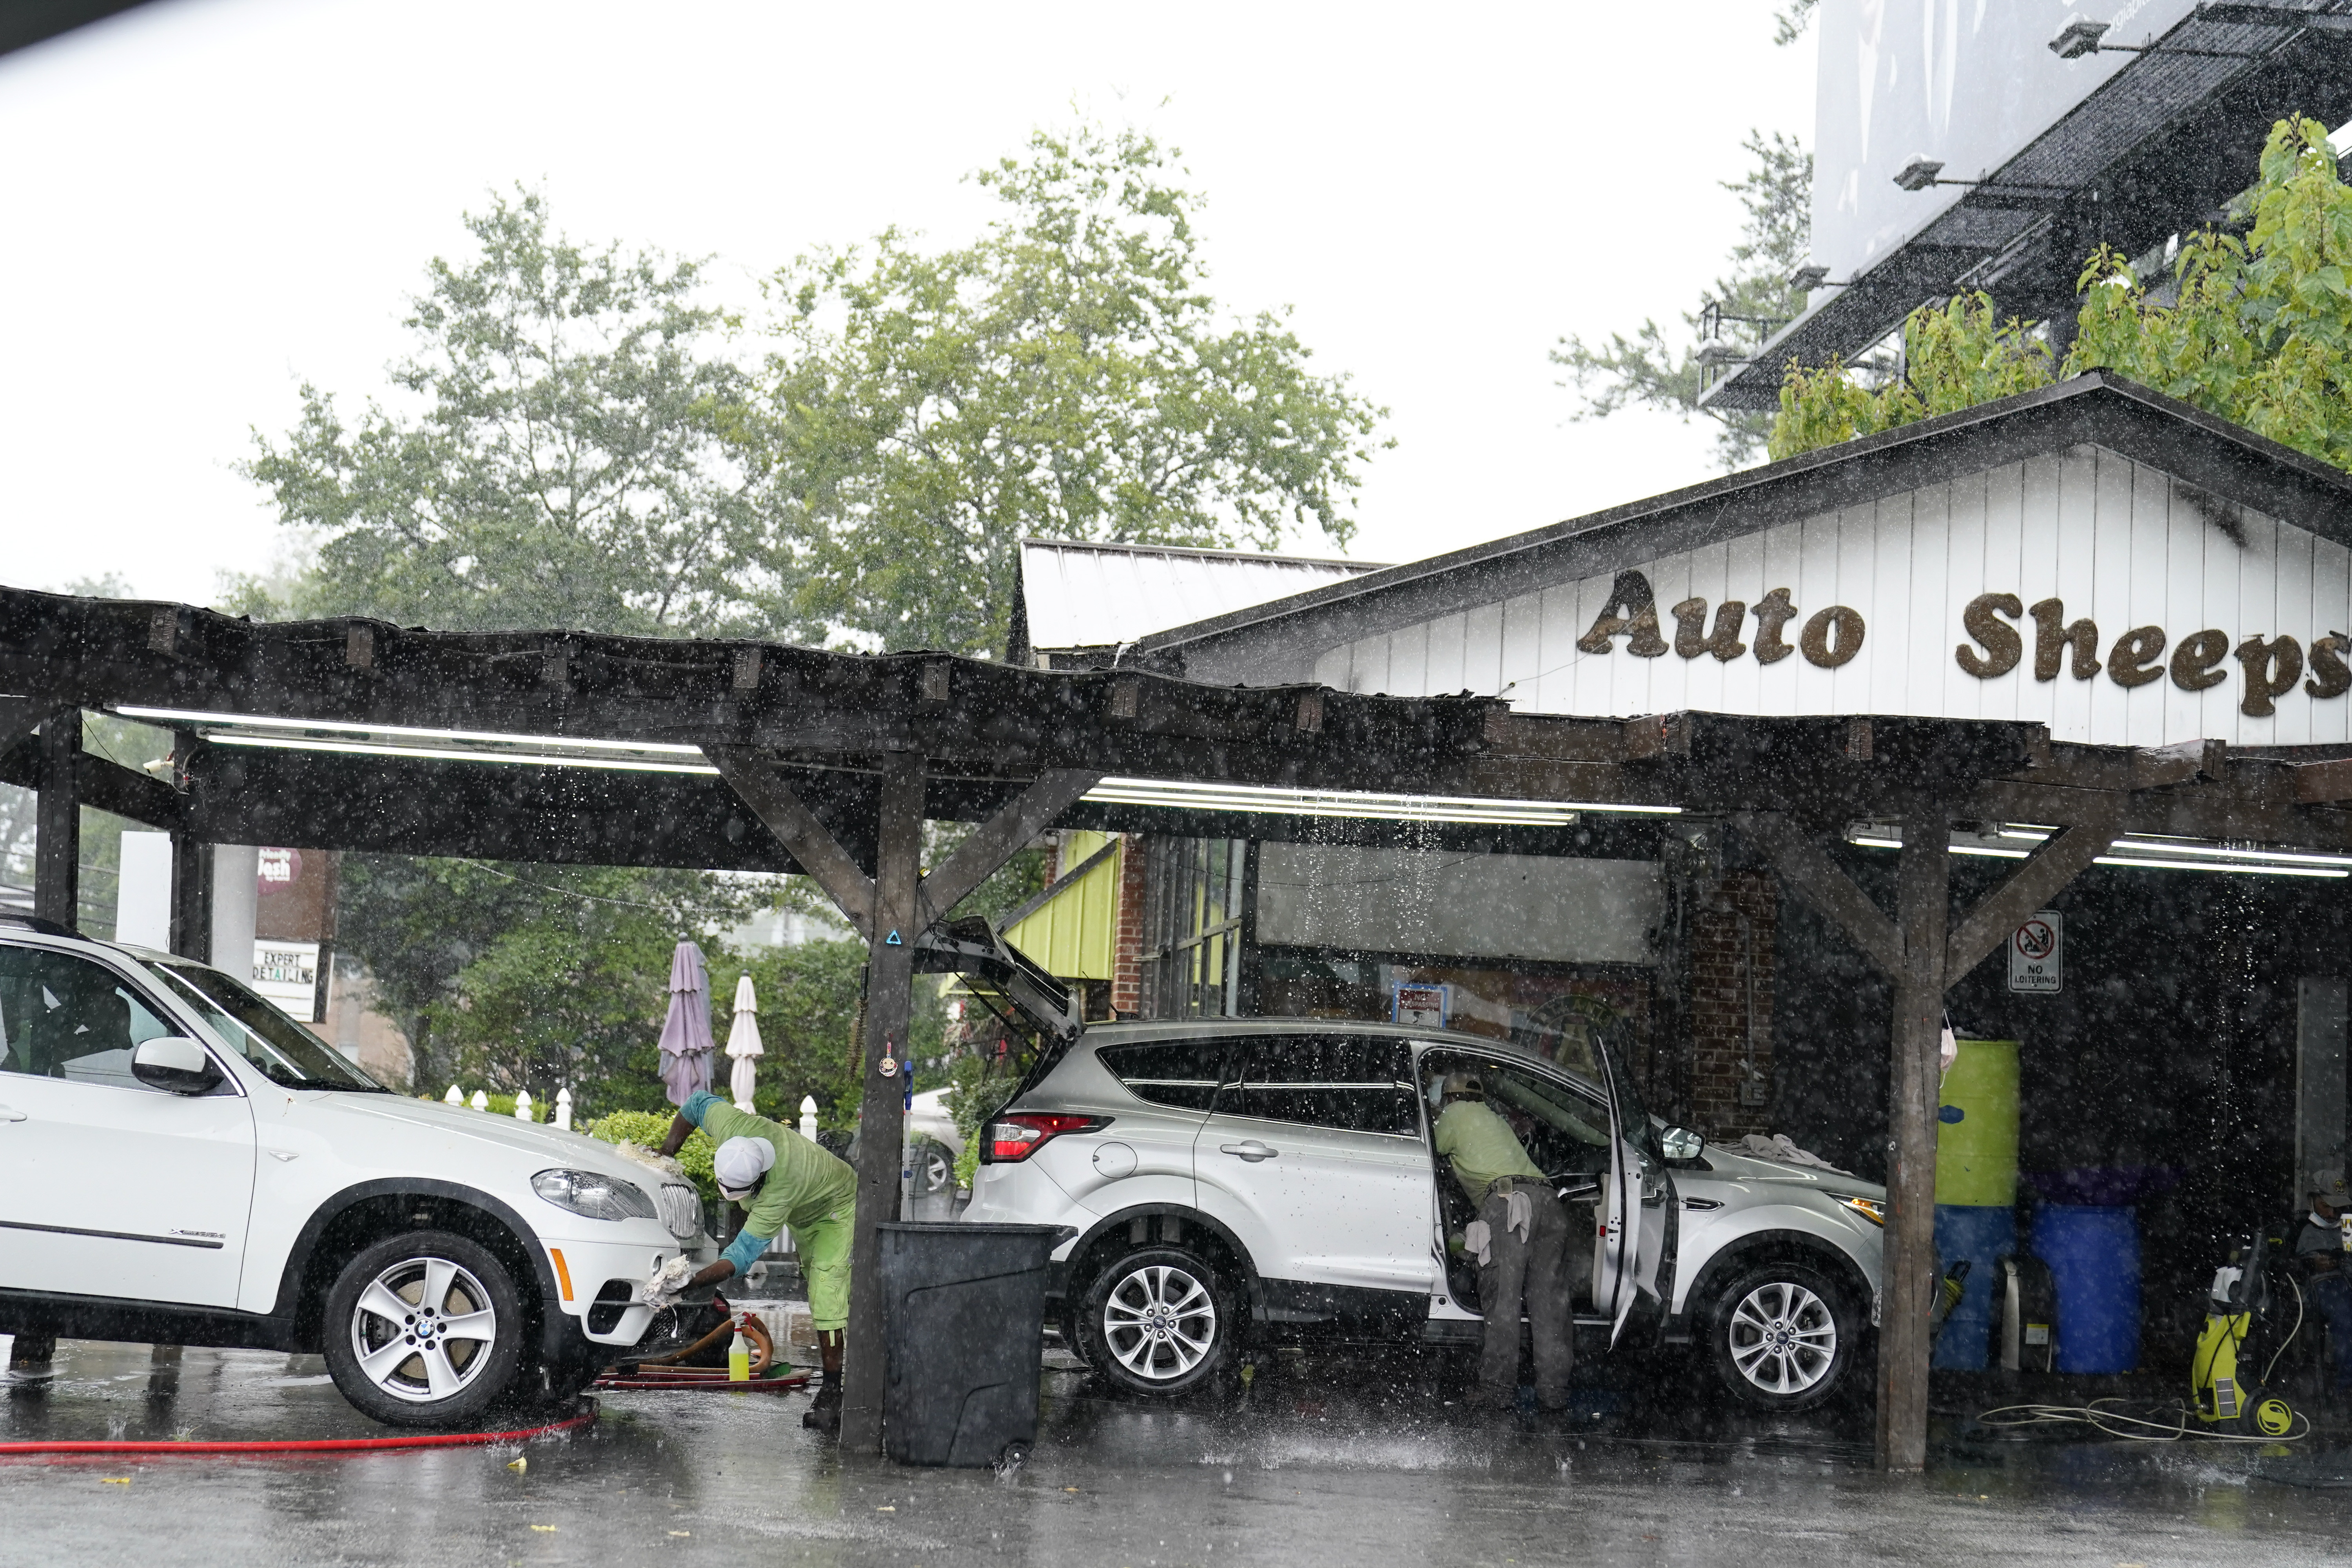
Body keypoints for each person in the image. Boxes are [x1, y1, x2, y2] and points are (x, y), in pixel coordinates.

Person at [644, 1089, 857, 1434]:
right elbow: (697, 1103)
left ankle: (833, 1392)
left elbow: (740, 1257)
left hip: (837, 1210)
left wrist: (692, 1282)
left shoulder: (779, 1191)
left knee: (826, 1291)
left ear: (761, 1180)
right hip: (807, 1209)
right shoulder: (732, 1128)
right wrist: (668, 1151)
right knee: (822, 1290)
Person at [1432, 1069, 1572, 1413]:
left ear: (1449, 1098)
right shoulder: (1494, 1118)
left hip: (1510, 1204)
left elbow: (1425, 1150)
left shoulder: (1453, 1114)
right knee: (1550, 1306)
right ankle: (1554, 1395)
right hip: (1548, 1203)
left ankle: (1497, 1390)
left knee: (1503, 1300)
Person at [2290, 1168, 2352, 1403]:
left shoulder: (2347, 1227)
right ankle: (2346, 1387)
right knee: (2346, 1317)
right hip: (2323, 1287)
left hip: (2347, 1281)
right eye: (2327, 1205)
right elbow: (2286, 1263)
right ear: (2313, 1201)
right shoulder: (2300, 1229)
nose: (2332, 1212)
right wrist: (2310, 1262)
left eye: (2338, 1207)